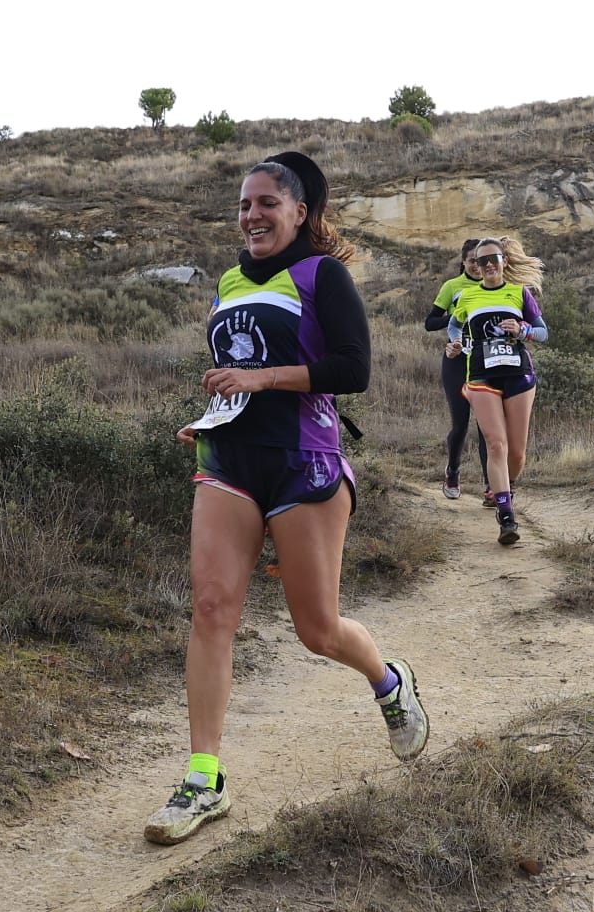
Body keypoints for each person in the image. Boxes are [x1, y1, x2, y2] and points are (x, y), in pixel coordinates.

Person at [145, 152, 430, 846]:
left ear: (300, 212)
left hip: (306, 462)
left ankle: (389, 681)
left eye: (266, 203)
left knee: (317, 630)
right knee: (212, 609)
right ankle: (204, 779)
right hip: (230, 462)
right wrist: (210, 415)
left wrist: (263, 381)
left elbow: (352, 369)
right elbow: (231, 372)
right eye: (244, 204)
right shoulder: (230, 280)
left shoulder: (321, 276)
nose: (251, 215)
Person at [447, 237, 547, 544]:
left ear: (504, 261)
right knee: (496, 445)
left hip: (518, 374)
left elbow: (543, 332)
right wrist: (457, 345)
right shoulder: (467, 296)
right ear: (475, 265)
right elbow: (453, 325)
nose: (488, 265)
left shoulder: (520, 293)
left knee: (516, 453)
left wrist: (524, 330)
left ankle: (504, 485)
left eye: (494, 259)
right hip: (480, 377)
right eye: (482, 261)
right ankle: (506, 517)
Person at [422, 239, 490, 499]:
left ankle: (490, 486)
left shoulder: (491, 286)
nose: (476, 265)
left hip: (485, 362)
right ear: (463, 262)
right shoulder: (452, 287)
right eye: (472, 260)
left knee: (486, 426)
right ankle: (452, 471)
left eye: (480, 260)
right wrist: (456, 317)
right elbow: (429, 322)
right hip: (456, 361)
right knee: (460, 424)